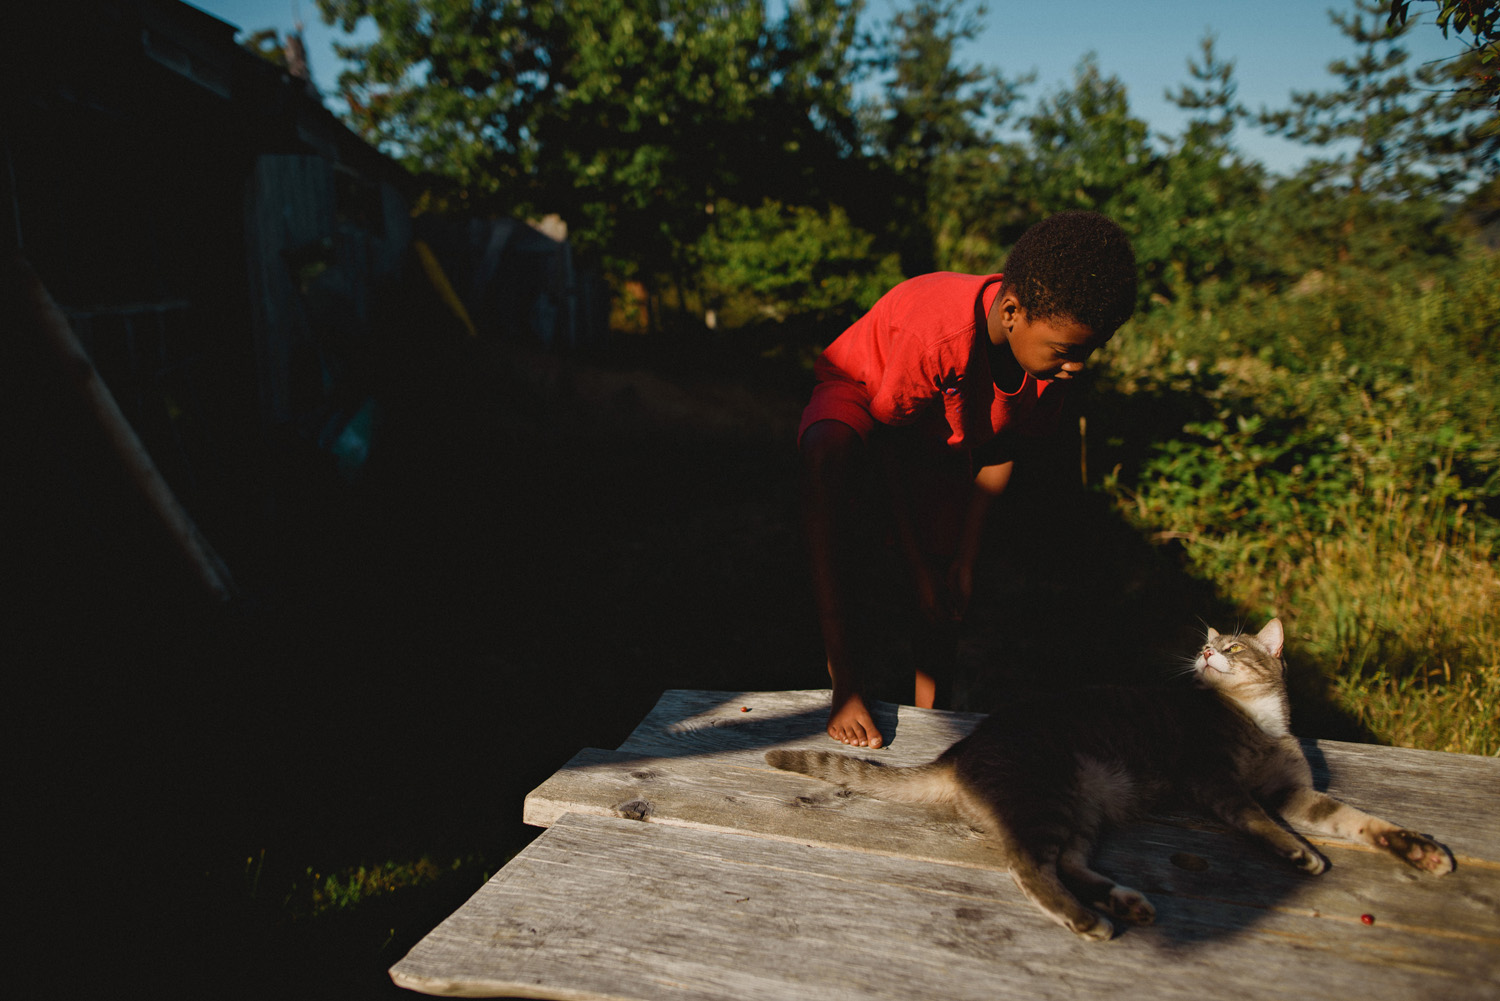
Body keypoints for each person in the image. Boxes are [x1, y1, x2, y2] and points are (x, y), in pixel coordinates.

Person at [800, 211, 1138, 749]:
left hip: (943, 432)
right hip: (870, 401)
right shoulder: (934, 332)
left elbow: (999, 452)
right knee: (828, 456)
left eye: (1089, 352)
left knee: (945, 583)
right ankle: (845, 681)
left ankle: (933, 715)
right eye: (1068, 352)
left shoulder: (1050, 366)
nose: (1079, 368)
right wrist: (916, 568)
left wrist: (962, 562)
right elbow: (891, 446)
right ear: (1012, 312)